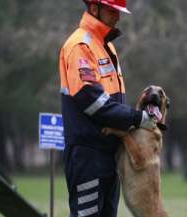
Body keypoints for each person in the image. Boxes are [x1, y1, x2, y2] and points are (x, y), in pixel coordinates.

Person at [58, 1, 157, 216]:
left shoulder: (106, 45)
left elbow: (113, 101)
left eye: (119, 11)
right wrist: (137, 117)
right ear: (94, 8)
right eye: (112, 10)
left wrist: (136, 114)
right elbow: (92, 102)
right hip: (87, 156)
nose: (118, 17)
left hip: (109, 155)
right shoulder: (80, 46)